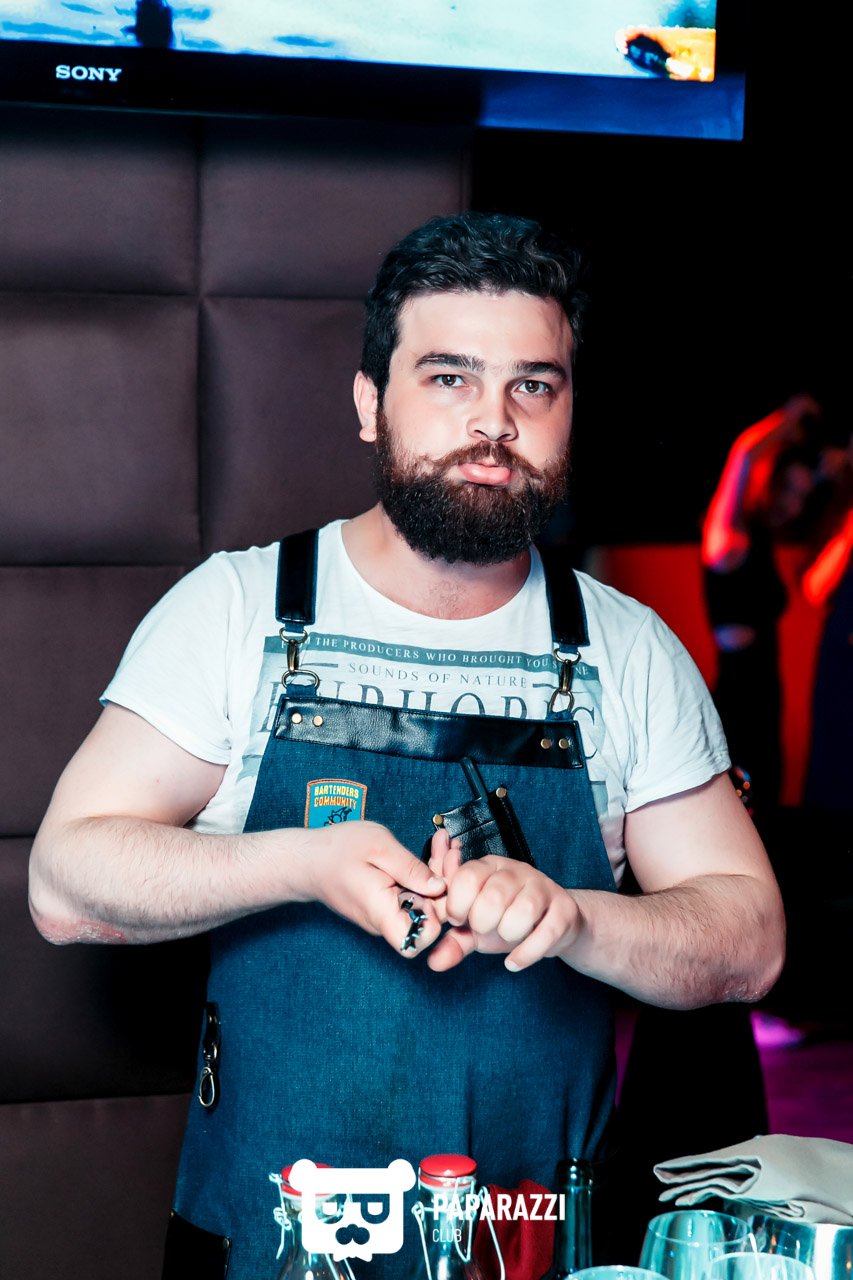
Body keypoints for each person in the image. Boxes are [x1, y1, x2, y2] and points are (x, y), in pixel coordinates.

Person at [28, 211, 785, 1280]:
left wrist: (575, 918)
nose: (493, 422)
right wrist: (300, 862)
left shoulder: (625, 649)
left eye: (533, 385)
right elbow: (65, 884)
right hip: (266, 1240)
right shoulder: (240, 610)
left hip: (533, 1249)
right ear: (368, 402)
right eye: (448, 377)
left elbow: (749, 941)